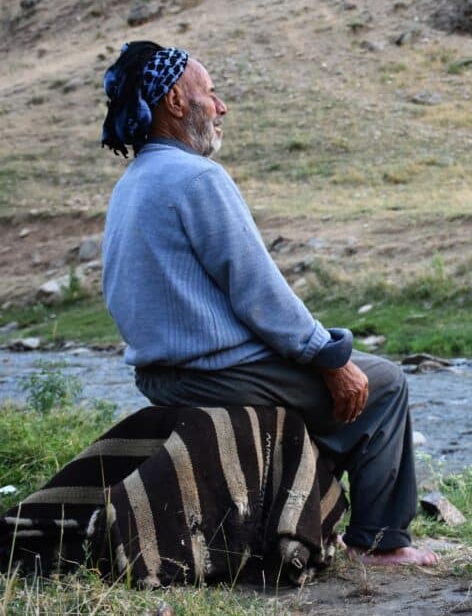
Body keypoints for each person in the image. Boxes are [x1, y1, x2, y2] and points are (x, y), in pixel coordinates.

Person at [100, 41, 437, 567]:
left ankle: (306, 503)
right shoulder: (197, 177)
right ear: (174, 101)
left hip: (158, 375)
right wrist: (329, 356)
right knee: (386, 383)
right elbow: (260, 292)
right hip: (210, 373)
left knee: (343, 378)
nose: (222, 106)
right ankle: (380, 544)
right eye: (211, 93)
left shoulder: (133, 182)